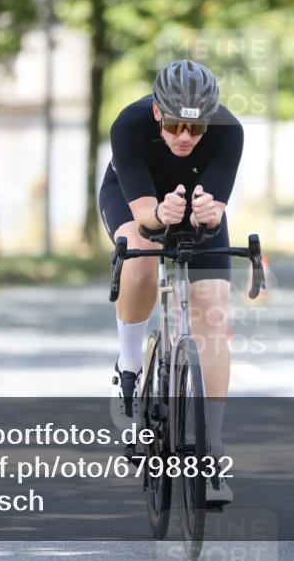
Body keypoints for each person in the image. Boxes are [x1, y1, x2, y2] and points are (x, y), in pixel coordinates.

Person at [98, 60, 242, 506]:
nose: (184, 137)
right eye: (176, 125)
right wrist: (161, 214)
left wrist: (209, 215)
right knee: (141, 259)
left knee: (211, 309)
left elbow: (214, 212)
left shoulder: (229, 132)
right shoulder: (129, 125)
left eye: (195, 129)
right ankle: (128, 366)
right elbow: (146, 217)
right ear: (158, 112)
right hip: (137, 199)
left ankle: (212, 450)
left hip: (195, 207)